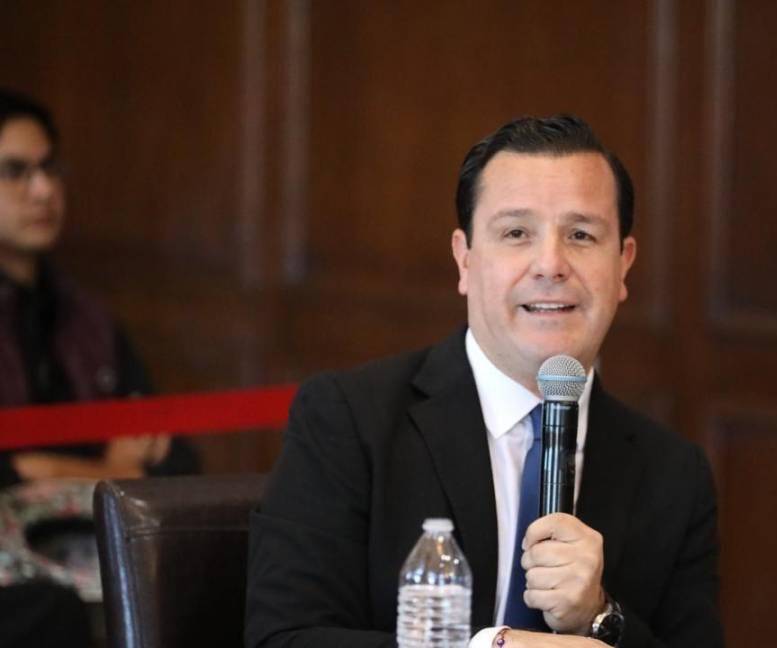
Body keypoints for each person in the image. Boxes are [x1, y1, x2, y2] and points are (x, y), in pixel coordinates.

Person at [246, 115, 723, 648]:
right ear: (465, 260)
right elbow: (283, 638)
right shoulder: (350, 421)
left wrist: (599, 614)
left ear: (624, 265)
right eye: (516, 233)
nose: (550, 264)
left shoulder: (673, 474)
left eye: (581, 235)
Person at [0, 88, 199, 647]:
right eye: (15, 172)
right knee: (51, 613)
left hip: (96, 556)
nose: (43, 190)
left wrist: (42, 466)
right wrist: (107, 470)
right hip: (19, 584)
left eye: (49, 169)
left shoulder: (86, 317)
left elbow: (175, 457)